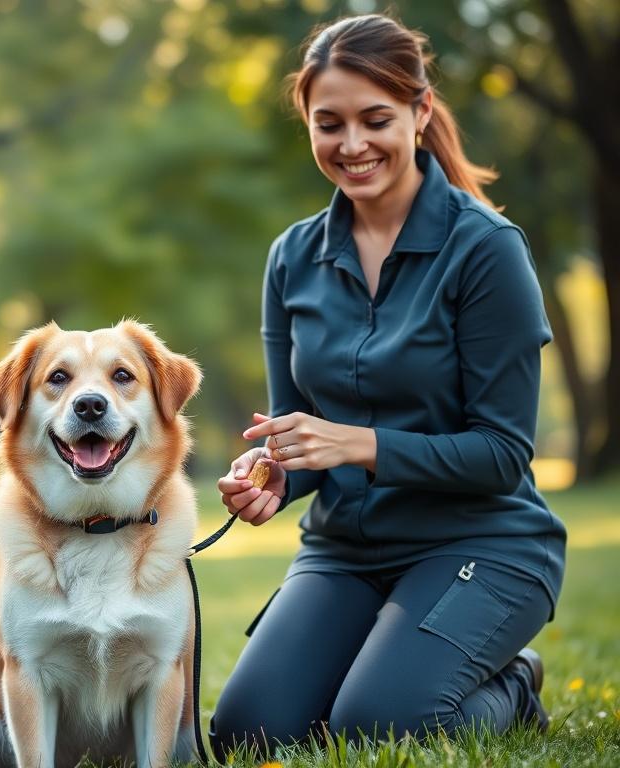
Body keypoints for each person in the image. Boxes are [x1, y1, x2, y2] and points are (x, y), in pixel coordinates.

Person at [209, 13, 567, 758]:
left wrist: (359, 444)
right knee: (249, 734)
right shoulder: (293, 258)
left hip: (482, 542)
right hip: (345, 551)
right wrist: (271, 473)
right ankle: (394, 661)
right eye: (327, 123)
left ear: (420, 112)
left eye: (376, 119)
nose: (352, 145)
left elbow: (503, 453)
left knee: (381, 728)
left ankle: (512, 684)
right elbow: (297, 429)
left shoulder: (487, 251)